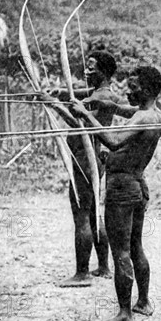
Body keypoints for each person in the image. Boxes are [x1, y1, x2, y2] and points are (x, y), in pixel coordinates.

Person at [70, 66, 161, 321]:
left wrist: (86, 116)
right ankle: (143, 301)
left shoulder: (142, 119)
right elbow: (126, 115)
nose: (127, 91)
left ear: (145, 89)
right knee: (135, 246)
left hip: (122, 189)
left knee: (121, 250)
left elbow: (112, 140)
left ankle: (125, 314)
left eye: (132, 87)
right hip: (136, 184)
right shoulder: (155, 115)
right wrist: (102, 103)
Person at [45, 51, 122, 287]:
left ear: (105, 72)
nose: (87, 72)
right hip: (91, 159)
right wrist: (59, 94)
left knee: (81, 214)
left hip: (86, 160)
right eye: (87, 67)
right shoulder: (99, 93)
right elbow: (79, 96)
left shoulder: (103, 96)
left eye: (92, 69)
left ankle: (82, 274)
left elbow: (80, 120)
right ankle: (103, 266)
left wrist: (54, 106)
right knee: (91, 213)